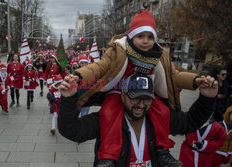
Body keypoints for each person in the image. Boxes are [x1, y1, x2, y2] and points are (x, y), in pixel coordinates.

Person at [71, 10, 205, 166]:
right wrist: (80, 75)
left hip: (145, 92)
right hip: (119, 91)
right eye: (140, 36)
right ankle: (108, 155)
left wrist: (195, 80)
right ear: (131, 36)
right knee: (108, 113)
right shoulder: (118, 50)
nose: (145, 41)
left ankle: (162, 149)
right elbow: (99, 67)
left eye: (150, 37)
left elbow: (174, 75)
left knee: (162, 112)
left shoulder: (159, 55)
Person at [58, 74, 218, 167]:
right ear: (122, 95)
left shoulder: (159, 118)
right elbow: (72, 130)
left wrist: (207, 99)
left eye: (146, 99)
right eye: (135, 98)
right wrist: (68, 99)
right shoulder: (107, 118)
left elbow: (189, 122)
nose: (141, 105)